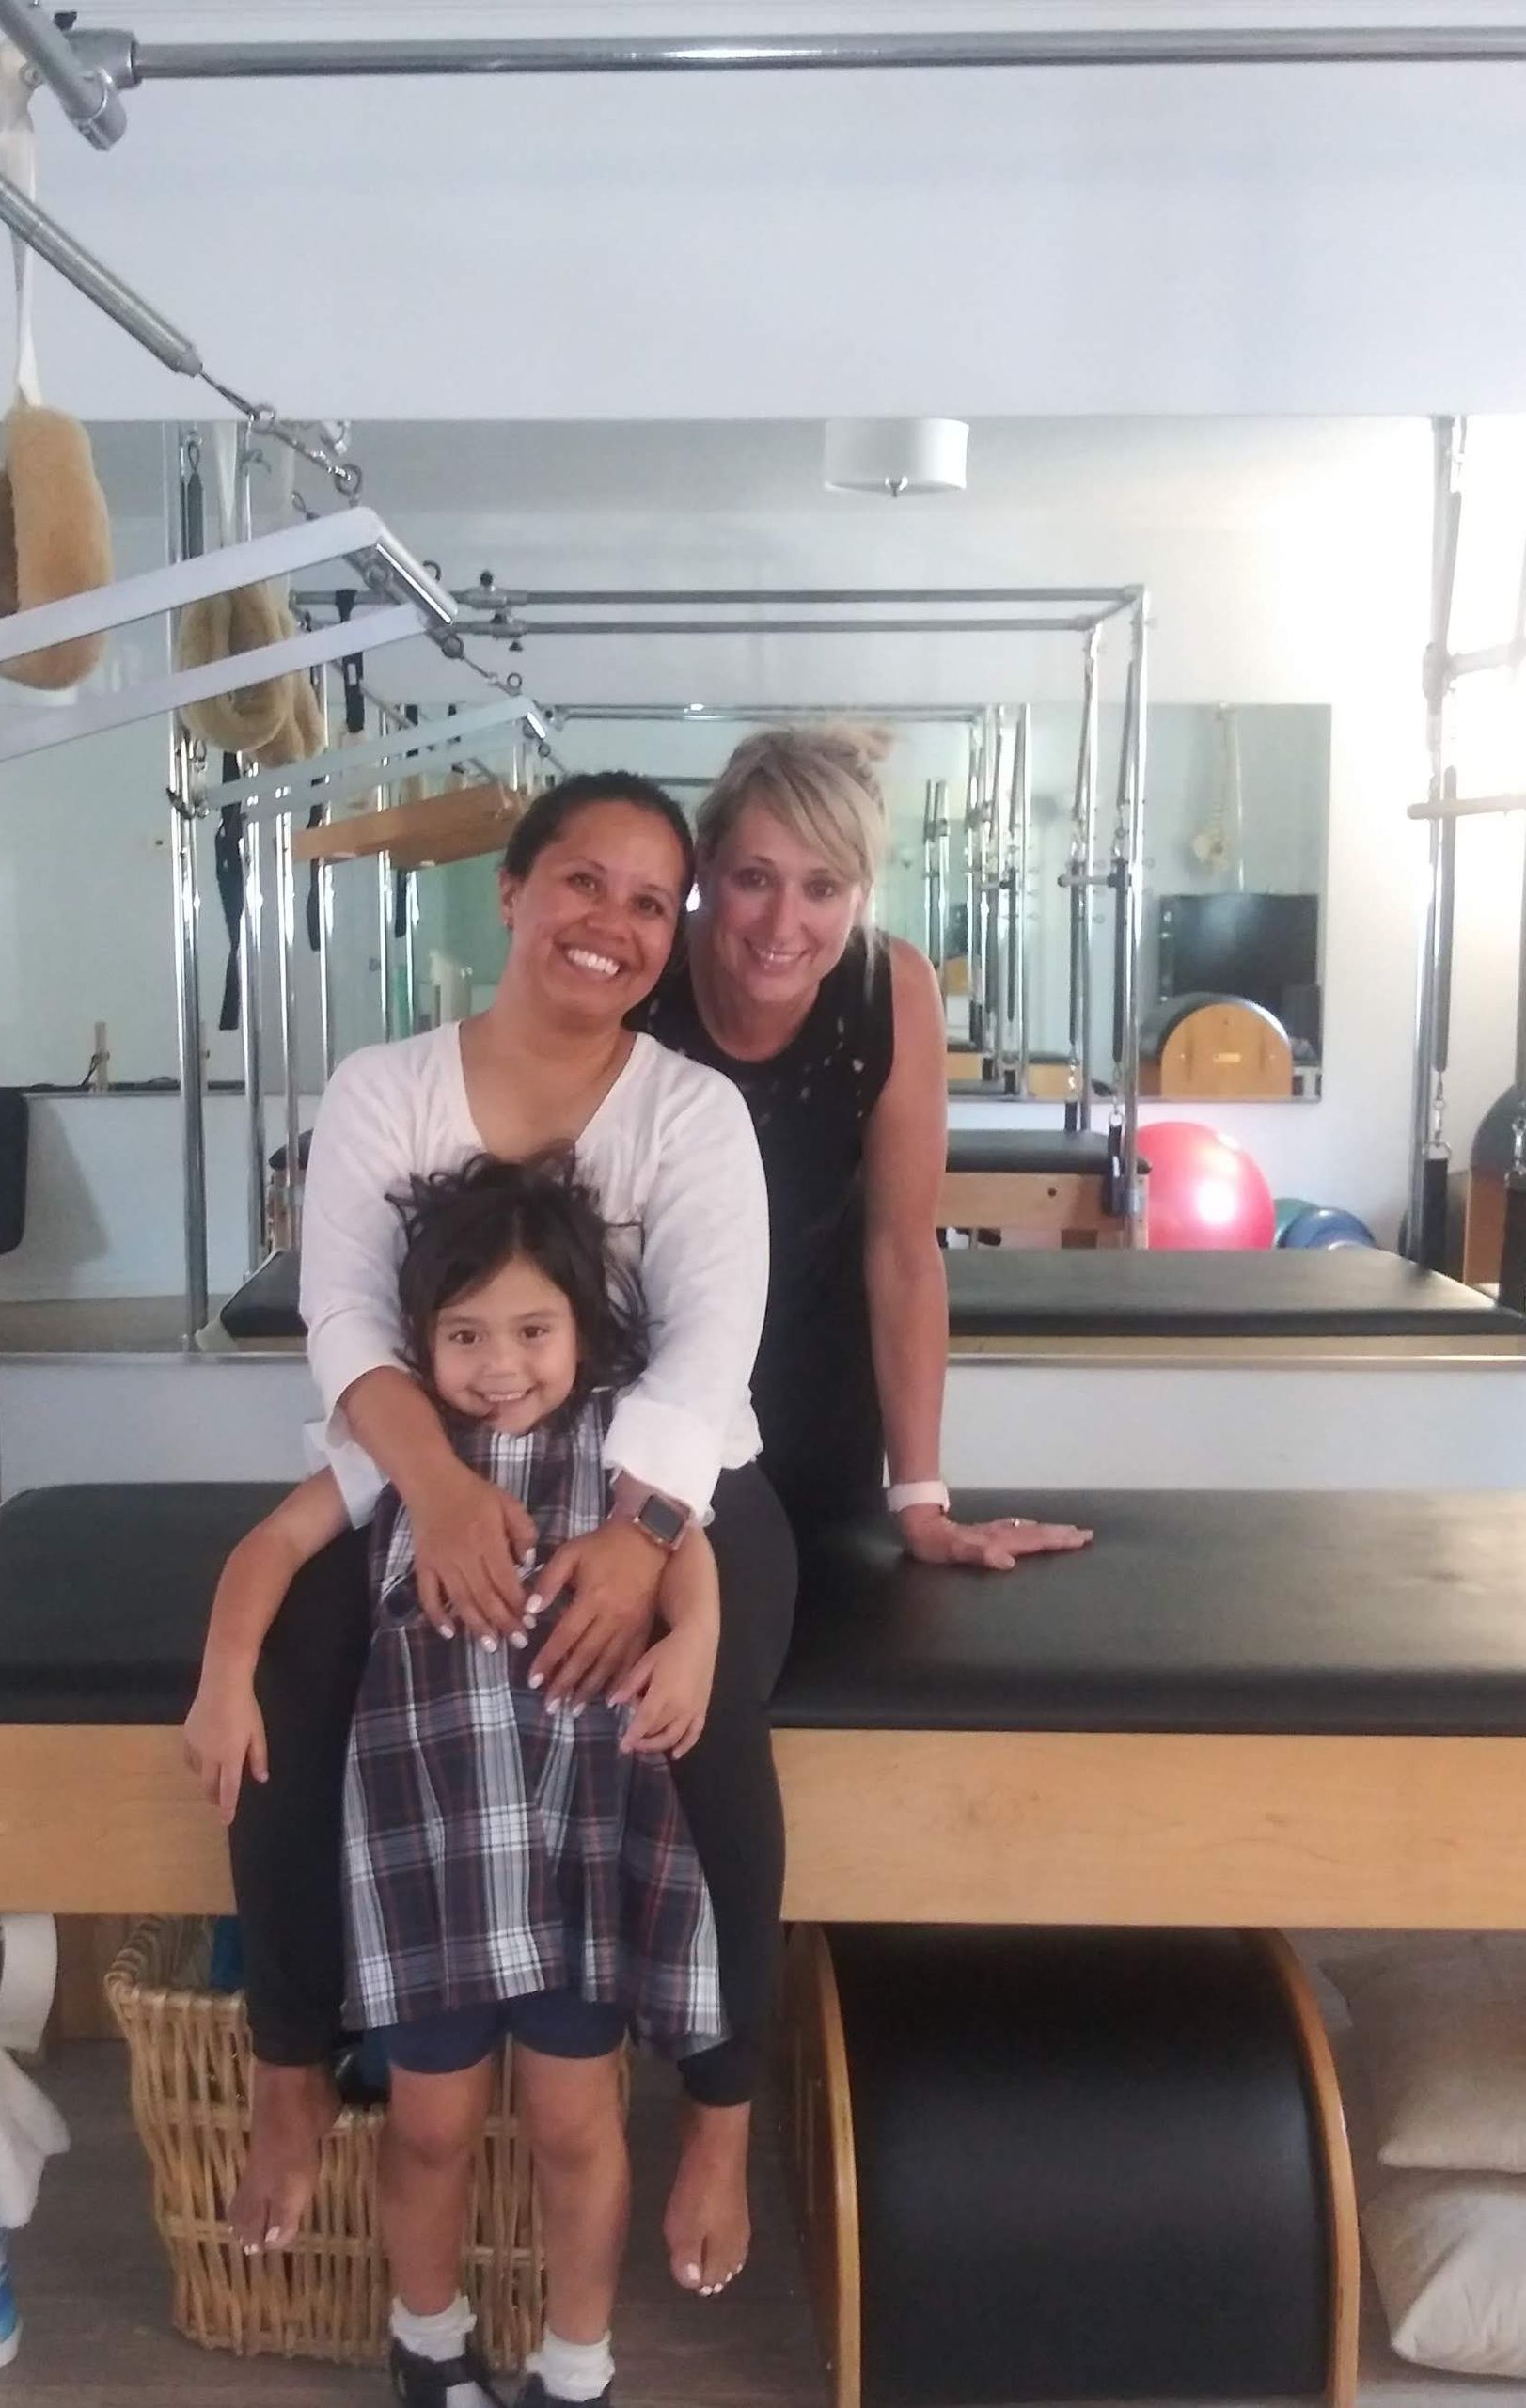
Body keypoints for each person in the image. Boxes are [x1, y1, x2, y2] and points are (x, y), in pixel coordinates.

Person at [216, 773, 795, 2305]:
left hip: (665, 1481)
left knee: (704, 1729)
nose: (613, 922)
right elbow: (341, 1315)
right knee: (303, 1669)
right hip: (423, 1462)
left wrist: (641, 1547)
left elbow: (709, 1350)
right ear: (516, 894)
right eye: (583, 883)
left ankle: (724, 2114)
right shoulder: (383, 1088)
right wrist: (444, 1490)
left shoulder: (692, 1113)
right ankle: (290, 2057)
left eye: (650, 903)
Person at [186, 1153, 722, 2408]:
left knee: (573, 2126)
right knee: (427, 2128)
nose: (500, 1363)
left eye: (533, 1330)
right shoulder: (396, 1457)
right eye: (465, 1332)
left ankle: (575, 2367)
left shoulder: (616, 1441)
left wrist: (692, 1639)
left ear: (583, 1327)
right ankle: (428, 2349)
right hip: (429, 1845)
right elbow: (269, 1546)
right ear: (419, 1341)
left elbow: (686, 1543)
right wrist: (223, 1679)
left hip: (577, 1834)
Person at [637, 723, 1094, 1565]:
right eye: (754, 879)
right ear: (705, 868)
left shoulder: (891, 988)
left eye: (822, 886)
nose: (784, 922)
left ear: (860, 891)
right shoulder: (646, 979)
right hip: (647, 1396)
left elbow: (902, 1251)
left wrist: (921, 1500)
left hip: (817, 1381)